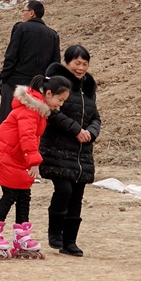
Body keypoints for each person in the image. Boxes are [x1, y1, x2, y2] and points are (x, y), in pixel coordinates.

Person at [0, 74, 71, 259]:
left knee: (24, 195)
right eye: (59, 100)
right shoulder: (30, 110)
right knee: (11, 194)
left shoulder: (38, 109)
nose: (60, 105)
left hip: (16, 158)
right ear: (48, 93)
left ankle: (21, 237)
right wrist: (34, 162)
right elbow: (27, 137)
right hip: (6, 157)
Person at [42, 46, 101, 257]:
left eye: (85, 64)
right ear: (67, 62)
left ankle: (70, 241)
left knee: (77, 195)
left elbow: (96, 116)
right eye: (77, 63)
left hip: (81, 151)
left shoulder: (88, 86)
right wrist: (77, 130)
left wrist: (90, 133)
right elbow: (51, 112)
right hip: (58, 147)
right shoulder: (58, 83)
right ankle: (55, 233)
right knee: (64, 190)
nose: (81, 68)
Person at [0, 0, 60, 128]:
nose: (23, 14)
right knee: (30, 124)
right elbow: (55, 65)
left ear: (32, 13)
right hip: (38, 86)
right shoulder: (53, 35)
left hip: (14, 83)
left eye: (24, 11)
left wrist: (4, 77)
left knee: (8, 122)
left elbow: (11, 55)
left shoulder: (21, 28)